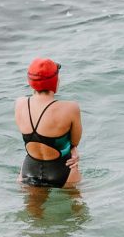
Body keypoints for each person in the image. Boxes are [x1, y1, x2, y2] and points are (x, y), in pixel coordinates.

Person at [14, 58, 82, 187]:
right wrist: (74, 150)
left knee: (31, 208)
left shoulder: (20, 103)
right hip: (63, 170)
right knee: (78, 206)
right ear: (55, 81)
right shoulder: (71, 108)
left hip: (29, 170)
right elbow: (74, 142)